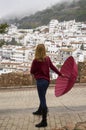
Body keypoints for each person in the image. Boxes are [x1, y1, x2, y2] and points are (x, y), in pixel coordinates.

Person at [30, 44, 63, 128]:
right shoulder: (47, 58)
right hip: (47, 81)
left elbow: (32, 71)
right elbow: (52, 67)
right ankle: (39, 110)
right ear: (44, 50)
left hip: (40, 82)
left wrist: (36, 73)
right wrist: (60, 74)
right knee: (42, 96)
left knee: (42, 99)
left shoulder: (36, 61)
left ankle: (44, 121)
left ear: (37, 50)